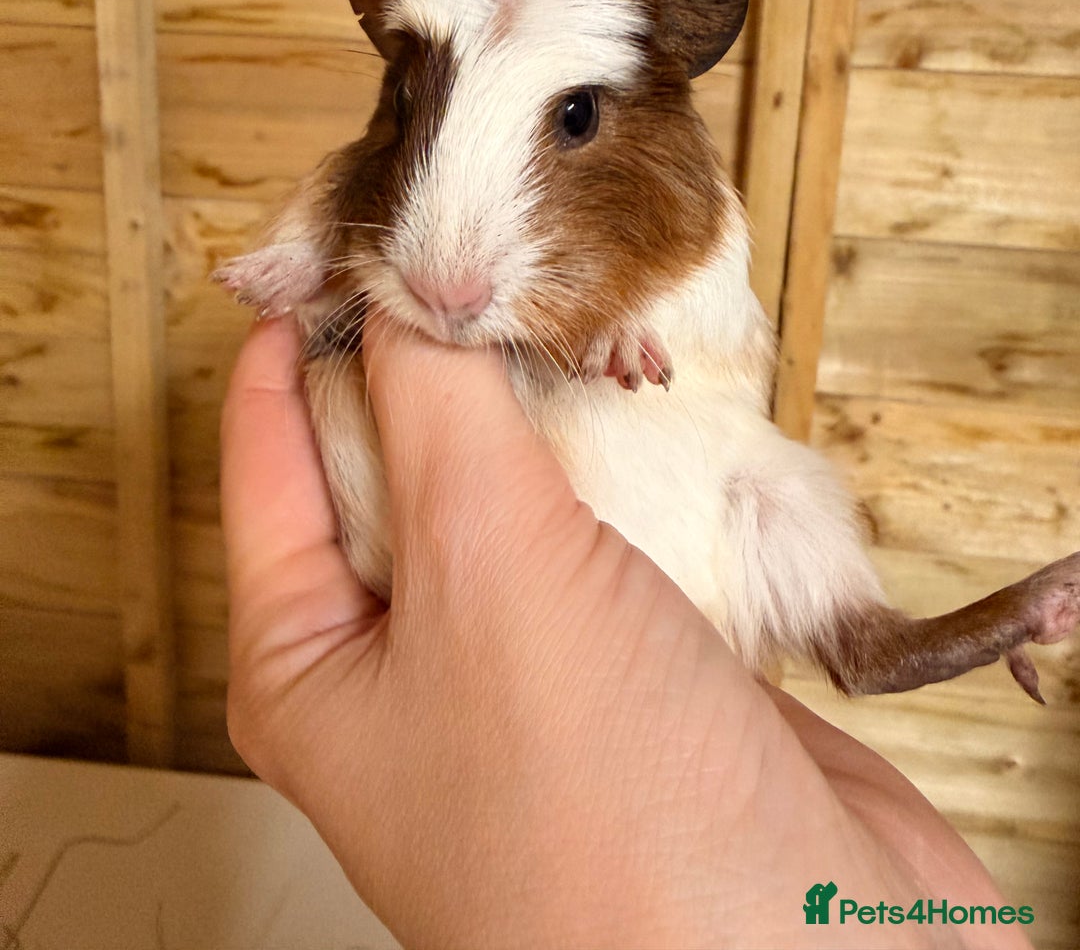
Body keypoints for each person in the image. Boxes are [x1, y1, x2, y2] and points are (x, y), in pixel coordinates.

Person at [221, 315, 1032, 949]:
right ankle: (886, 642)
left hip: (675, 495)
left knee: (779, 502)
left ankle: (886, 641)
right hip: (518, 539)